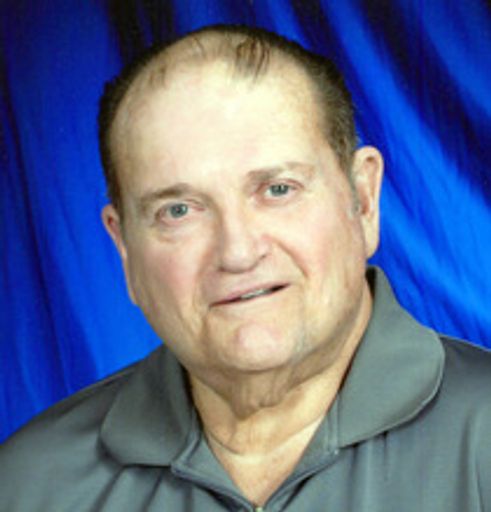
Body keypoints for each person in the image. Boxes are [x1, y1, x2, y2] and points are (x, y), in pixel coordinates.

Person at [1, 24, 490, 512]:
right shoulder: (32, 486)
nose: (237, 252)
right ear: (124, 246)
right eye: (179, 211)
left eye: (278, 190)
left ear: (363, 201)